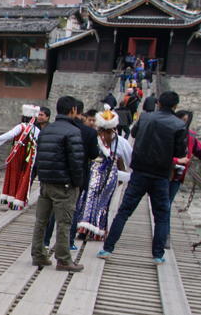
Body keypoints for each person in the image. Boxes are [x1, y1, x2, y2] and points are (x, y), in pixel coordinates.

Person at [98, 91, 188, 264]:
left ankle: (107, 248)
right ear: (176, 106)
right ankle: (158, 254)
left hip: (139, 171)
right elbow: (179, 152)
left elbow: (134, 134)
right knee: (161, 215)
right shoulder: (178, 125)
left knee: (124, 211)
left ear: (158, 103)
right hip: (161, 174)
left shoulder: (146, 118)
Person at [32, 96, 86, 271]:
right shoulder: (73, 131)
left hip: (45, 182)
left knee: (41, 220)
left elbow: (39, 157)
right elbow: (77, 161)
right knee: (64, 223)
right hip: (64, 184)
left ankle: (38, 255)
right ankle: (63, 259)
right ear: (73, 110)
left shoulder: (46, 130)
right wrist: (78, 183)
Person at [0, 103, 48, 210]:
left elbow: (9, 135)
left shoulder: (21, 127)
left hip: (17, 154)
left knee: (14, 176)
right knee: (24, 176)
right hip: (29, 156)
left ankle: (11, 199)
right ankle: (19, 201)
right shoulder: (36, 130)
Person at [73, 108, 131, 241]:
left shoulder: (113, 140)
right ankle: (93, 229)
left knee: (93, 200)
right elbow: (130, 159)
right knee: (98, 201)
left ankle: (87, 228)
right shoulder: (117, 141)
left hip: (101, 171)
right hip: (103, 172)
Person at [169, 110, 200, 207]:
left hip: (178, 174)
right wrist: (176, 160)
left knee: (167, 203)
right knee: (162, 203)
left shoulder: (190, 136)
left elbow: (198, 150)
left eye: (185, 120)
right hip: (163, 172)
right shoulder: (167, 131)